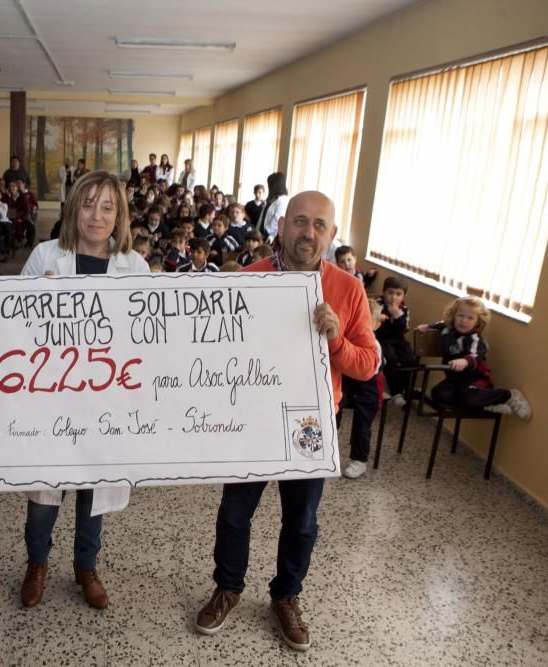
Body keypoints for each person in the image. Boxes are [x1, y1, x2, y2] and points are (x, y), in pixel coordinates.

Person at [195, 191, 380, 652]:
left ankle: (286, 596)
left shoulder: (349, 289)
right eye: (299, 221)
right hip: (252, 420)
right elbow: (218, 351)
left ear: (333, 235)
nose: (308, 232)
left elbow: (369, 365)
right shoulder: (249, 279)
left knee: (302, 521)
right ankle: (228, 586)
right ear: (280, 227)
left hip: (310, 424)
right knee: (235, 513)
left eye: (320, 224)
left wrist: (336, 339)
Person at [19, 169, 149, 611]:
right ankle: (37, 563)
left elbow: (148, 336)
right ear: (74, 208)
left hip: (106, 402)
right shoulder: (45, 255)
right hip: (53, 399)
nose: (96, 215)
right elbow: (12, 324)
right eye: (89, 204)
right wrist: (40, 302)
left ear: (119, 216)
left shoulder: (135, 266)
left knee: (94, 490)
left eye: (107, 207)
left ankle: (86, 567)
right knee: (44, 493)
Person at [415, 297, 532, 419]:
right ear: (453, 315)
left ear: (478, 322)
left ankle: (508, 396)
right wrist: (427, 327)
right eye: (460, 316)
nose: (464, 321)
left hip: (474, 380)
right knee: (439, 394)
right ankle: (486, 405)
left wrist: (464, 361)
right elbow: (439, 325)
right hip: (454, 381)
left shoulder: (475, 339)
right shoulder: (448, 328)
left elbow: (474, 357)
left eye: (470, 318)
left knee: (468, 397)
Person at [338, 298, 386, 479]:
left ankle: (359, 459)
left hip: (368, 388)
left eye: (367, 322)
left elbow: (367, 370)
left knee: (362, 425)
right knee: (332, 411)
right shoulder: (347, 339)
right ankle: (326, 449)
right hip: (346, 384)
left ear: (375, 325)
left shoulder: (374, 346)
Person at [375, 276, 417, 405]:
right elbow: (370, 322)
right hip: (381, 339)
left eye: (398, 294)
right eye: (390, 293)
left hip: (398, 339)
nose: (394, 297)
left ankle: (403, 389)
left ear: (403, 295)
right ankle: (395, 392)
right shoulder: (378, 304)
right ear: (384, 292)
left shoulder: (403, 309)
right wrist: (380, 317)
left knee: (409, 359)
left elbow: (404, 329)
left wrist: (397, 316)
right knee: (391, 358)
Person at [260, 172, 289, 243]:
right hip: (263, 233)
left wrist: (267, 232)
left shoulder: (282, 200)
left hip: (270, 236)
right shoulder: (273, 199)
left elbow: (278, 219)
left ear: (275, 185)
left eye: (269, 184)